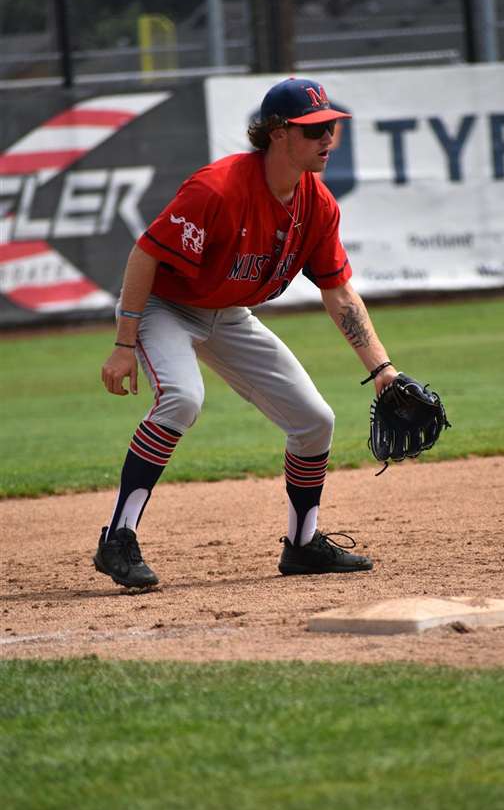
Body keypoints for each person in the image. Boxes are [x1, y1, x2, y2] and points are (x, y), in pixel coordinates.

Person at [94, 77, 398, 588]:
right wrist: (124, 345)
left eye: (331, 128)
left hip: (228, 314)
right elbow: (145, 254)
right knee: (182, 399)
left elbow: (340, 293)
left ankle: (303, 545)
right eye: (314, 129)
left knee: (314, 420)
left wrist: (383, 369)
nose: (328, 139)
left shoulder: (317, 205)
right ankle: (117, 539)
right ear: (278, 133)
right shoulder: (217, 188)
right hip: (164, 307)